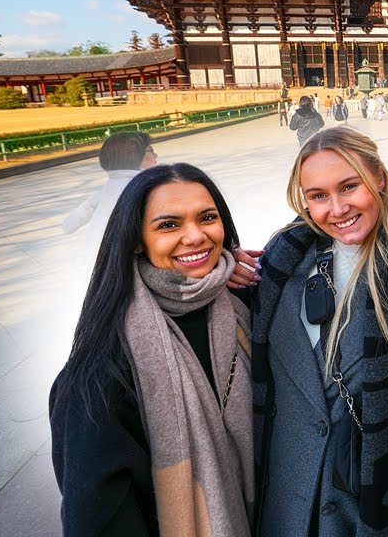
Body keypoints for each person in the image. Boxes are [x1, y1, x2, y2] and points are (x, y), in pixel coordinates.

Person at [245, 126, 388, 536]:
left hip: (366, 512)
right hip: (285, 507)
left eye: (349, 187)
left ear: (377, 177)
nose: (337, 208)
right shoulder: (280, 268)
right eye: (318, 196)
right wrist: (222, 267)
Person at [50, 163, 256, 536]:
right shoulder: (103, 371)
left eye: (207, 218)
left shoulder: (245, 308)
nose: (195, 236)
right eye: (168, 225)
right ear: (135, 239)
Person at [61, 131, 157, 273]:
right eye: (151, 150)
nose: (155, 155)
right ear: (134, 155)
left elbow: (70, 223)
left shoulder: (106, 190)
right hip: (124, 264)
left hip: (94, 259)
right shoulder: (145, 187)